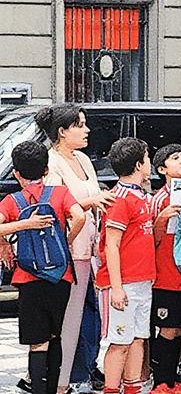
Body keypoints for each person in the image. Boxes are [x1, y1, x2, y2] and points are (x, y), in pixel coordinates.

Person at [34, 104, 115, 394]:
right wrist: (91, 203)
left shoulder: (82, 158)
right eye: (80, 125)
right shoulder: (52, 162)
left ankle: (78, 371)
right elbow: (58, 205)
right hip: (69, 249)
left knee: (87, 315)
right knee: (69, 318)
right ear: (62, 131)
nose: (86, 130)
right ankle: (61, 380)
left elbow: (89, 195)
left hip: (90, 248)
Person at [0, 141, 86, 394]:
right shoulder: (59, 193)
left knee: (36, 342)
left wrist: (22, 227)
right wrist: (66, 240)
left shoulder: (12, 201)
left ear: (16, 173)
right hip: (61, 275)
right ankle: (55, 388)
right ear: (46, 170)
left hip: (29, 276)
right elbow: (79, 216)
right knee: (55, 335)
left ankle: (37, 387)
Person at [95, 138, 155, 394]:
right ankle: (111, 388)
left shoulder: (140, 196)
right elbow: (111, 244)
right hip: (122, 282)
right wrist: (117, 287)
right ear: (139, 164)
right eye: (148, 158)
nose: (150, 163)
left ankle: (133, 387)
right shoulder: (119, 199)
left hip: (143, 279)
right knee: (119, 341)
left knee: (138, 338)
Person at [148, 144, 181, 393]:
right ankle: (161, 381)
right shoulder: (159, 199)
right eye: (176, 159)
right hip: (166, 274)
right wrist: (162, 219)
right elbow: (152, 241)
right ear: (162, 169)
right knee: (168, 328)